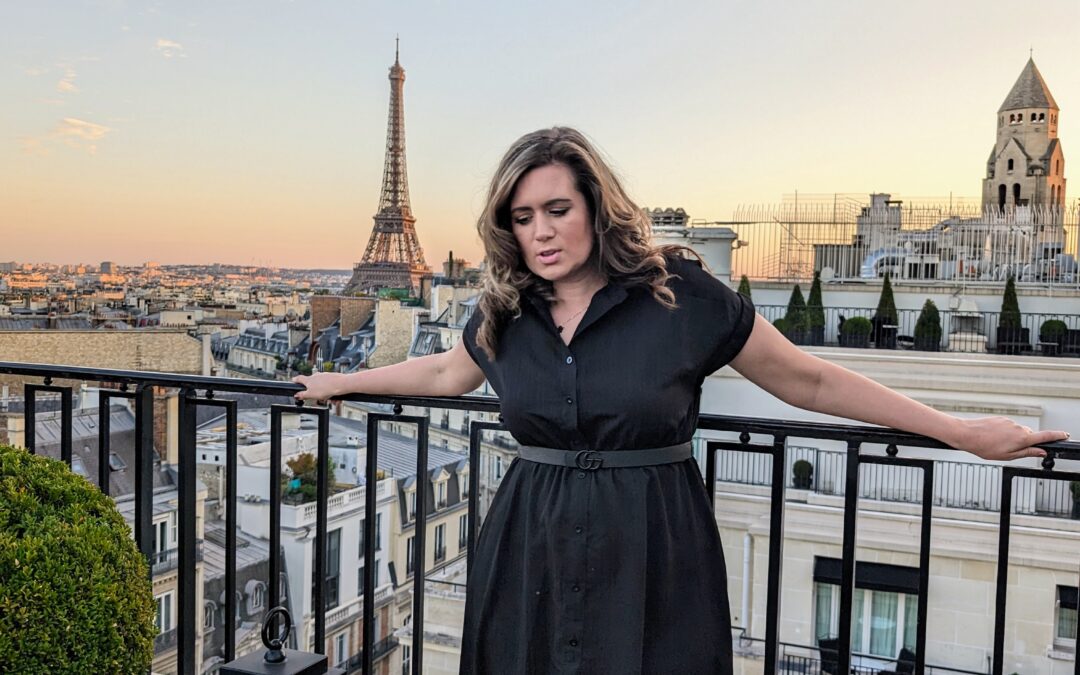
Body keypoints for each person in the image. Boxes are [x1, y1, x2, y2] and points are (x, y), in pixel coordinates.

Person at [293, 127, 1069, 674]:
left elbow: (809, 379)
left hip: (653, 545)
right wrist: (339, 381)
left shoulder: (679, 294)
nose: (541, 233)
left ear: (596, 204)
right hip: (530, 541)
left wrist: (958, 430)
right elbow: (441, 376)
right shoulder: (505, 308)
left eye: (557, 209)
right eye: (522, 218)